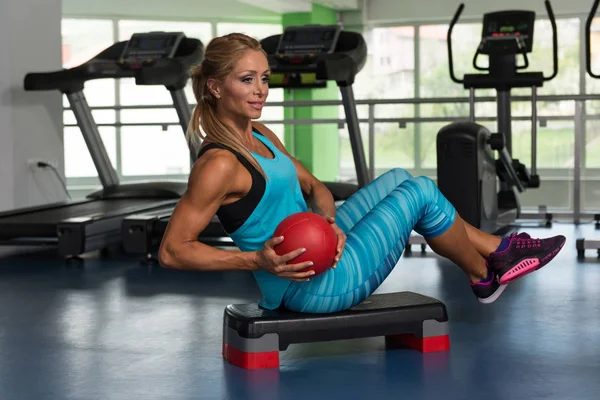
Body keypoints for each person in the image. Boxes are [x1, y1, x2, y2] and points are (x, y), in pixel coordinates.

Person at [158, 33, 566, 314]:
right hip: (310, 288)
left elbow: (314, 187)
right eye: (247, 80)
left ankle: (498, 253)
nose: (261, 90)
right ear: (214, 87)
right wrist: (256, 261)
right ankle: (485, 274)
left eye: (264, 78)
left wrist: (330, 224)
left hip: (324, 250)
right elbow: (173, 250)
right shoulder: (219, 163)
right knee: (420, 191)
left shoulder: (261, 133)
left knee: (399, 176)